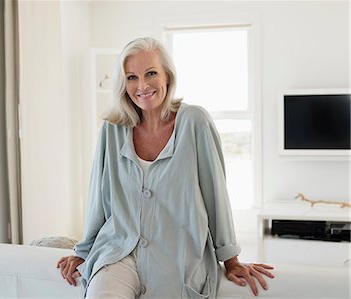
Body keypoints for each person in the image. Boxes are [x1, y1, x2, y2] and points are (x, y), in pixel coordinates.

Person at [57, 37, 274, 299]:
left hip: (177, 259)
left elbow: (215, 194)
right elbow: (98, 198)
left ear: (167, 77)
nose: (142, 86)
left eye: (151, 74)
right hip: (118, 251)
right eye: (131, 77)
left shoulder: (195, 122)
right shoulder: (112, 129)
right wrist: (83, 251)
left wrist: (230, 259)